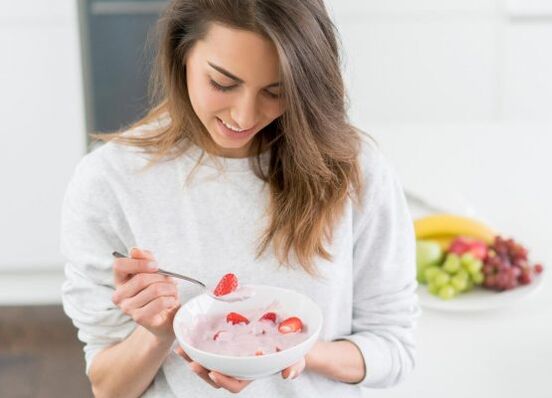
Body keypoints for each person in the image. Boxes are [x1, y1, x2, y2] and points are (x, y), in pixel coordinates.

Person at [60, 1, 419, 396]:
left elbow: (395, 349)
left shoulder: (352, 169)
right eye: (222, 84)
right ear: (182, 53)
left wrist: (299, 353)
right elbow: (108, 388)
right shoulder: (108, 181)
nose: (245, 116)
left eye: (275, 92)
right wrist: (158, 334)